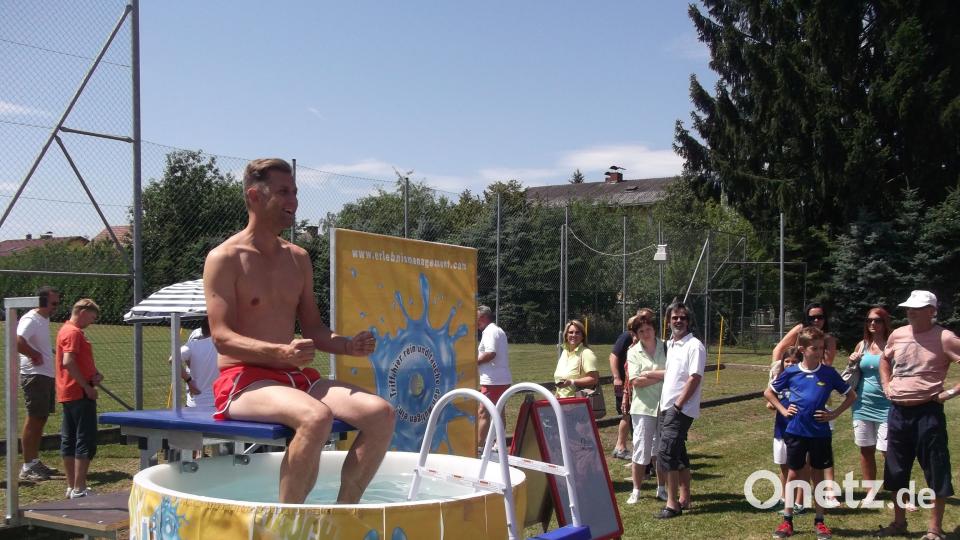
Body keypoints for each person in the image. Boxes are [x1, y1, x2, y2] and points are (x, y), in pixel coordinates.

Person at [203, 158, 395, 505]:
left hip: (296, 378)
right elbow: (221, 336)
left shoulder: (298, 258)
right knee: (316, 416)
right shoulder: (225, 257)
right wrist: (278, 353)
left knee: (381, 414)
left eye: (295, 192)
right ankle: (288, 523)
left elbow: (315, 329)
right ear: (254, 196)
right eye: (283, 192)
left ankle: (343, 516)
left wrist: (348, 345)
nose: (293, 201)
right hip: (244, 381)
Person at [877, 290, 960, 540]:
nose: (910, 311)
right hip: (898, 412)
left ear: (932, 311)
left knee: (935, 468)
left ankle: (934, 529)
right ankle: (899, 522)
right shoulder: (898, 334)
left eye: (917, 308)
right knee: (896, 469)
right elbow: (884, 359)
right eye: (909, 308)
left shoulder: (945, 337)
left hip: (928, 413)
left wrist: (950, 393)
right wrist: (887, 385)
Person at [766, 326, 856, 540]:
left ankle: (820, 521)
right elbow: (769, 392)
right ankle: (787, 521)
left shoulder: (828, 373)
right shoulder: (791, 372)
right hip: (796, 431)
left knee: (818, 475)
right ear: (802, 349)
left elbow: (851, 395)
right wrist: (783, 409)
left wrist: (833, 414)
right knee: (794, 474)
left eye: (821, 348)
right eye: (814, 348)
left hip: (820, 433)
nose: (818, 352)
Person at [771, 301, 840, 502]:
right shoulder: (800, 331)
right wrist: (777, 371)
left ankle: (829, 491)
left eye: (820, 317)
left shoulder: (828, 339)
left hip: (819, 398)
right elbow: (779, 348)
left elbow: (826, 366)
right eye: (812, 317)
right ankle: (797, 498)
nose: (816, 321)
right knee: (797, 454)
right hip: (799, 400)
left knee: (822, 449)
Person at [649, 301, 706, 519]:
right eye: (674, 318)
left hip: (679, 409)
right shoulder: (672, 345)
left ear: (689, 321)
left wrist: (678, 405)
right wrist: (648, 374)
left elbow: (695, 377)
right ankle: (685, 498)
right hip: (667, 407)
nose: (678, 321)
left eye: (682, 317)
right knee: (679, 453)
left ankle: (672, 505)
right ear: (669, 321)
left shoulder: (695, 346)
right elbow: (672, 374)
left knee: (667, 454)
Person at [55, 298, 103, 499]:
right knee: (85, 439)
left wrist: (93, 374)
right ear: (82, 311)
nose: (91, 322)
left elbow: (75, 361)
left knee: (70, 438)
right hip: (79, 392)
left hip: (68, 392)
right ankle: (79, 487)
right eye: (91, 317)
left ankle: (72, 485)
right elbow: (68, 361)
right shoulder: (73, 332)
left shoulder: (66, 330)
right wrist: (86, 386)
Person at [17, 286, 61, 481]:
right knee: (34, 418)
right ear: (41, 301)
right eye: (54, 303)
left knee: (40, 418)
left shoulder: (43, 319)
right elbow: (17, 340)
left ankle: (34, 461)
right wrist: (33, 354)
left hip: (44, 375)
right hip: (34, 375)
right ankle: (27, 466)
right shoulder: (31, 319)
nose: (56, 307)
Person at [624, 309, 666, 505]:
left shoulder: (666, 348)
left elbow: (674, 373)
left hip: (665, 406)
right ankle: (636, 490)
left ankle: (662, 488)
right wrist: (660, 374)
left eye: (648, 329)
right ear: (637, 334)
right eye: (641, 331)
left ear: (654, 329)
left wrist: (648, 374)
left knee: (660, 450)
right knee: (641, 450)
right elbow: (635, 381)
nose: (646, 334)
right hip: (643, 408)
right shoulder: (633, 352)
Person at [847, 307, 892, 484]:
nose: (872, 323)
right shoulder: (862, 345)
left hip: (887, 405)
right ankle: (870, 492)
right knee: (866, 450)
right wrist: (851, 361)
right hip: (862, 405)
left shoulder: (892, 345)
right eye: (869, 320)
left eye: (877, 320)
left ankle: (899, 494)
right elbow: (853, 372)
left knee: (889, 452)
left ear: (885, 322)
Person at [768, 346, 807, 516]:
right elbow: (770, 400)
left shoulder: (804, 379)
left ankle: (800, 501)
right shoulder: (780, 379)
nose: (790, 364)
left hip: (799, 430)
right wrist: (776, 405)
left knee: (800, 466)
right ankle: (784, 498)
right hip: (781, 428)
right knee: (784, 465)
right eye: (787, 361)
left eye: (795, 362)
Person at [476, 305, 512, 447]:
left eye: (476, 318)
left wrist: (474, 362)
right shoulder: (497, 330)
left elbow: (491, 353)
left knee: (483, 412)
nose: (475, 322)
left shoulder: (489, 332)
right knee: (499, 411)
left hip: (493, 380)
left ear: (483, 317)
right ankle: (500, 444)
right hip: (500, 378)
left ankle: (479, 446)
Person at [170, 318, 218, 409]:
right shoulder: (225, 346)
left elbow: (173, 359)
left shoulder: (192, 346)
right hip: (219, 403)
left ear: (202, 330)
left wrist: (189, 381)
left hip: (195, 403)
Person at [553, 320, 598, 398]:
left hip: (578, 403)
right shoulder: (564, 352)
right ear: (566, 335)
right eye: (571, 332)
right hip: (561, 402)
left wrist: (572, 382)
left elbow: (593, 379)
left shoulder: (586, 353)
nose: (573, 335)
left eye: (577, 333)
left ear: (582, 336)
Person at [609, 323, 633, 460]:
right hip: (625, 384)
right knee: (626, 414)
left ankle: (621, 446)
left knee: (629, 415)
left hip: (631, 383)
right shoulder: (626, 336)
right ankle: (620, 446)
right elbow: (613, 357)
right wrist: (617, 377)